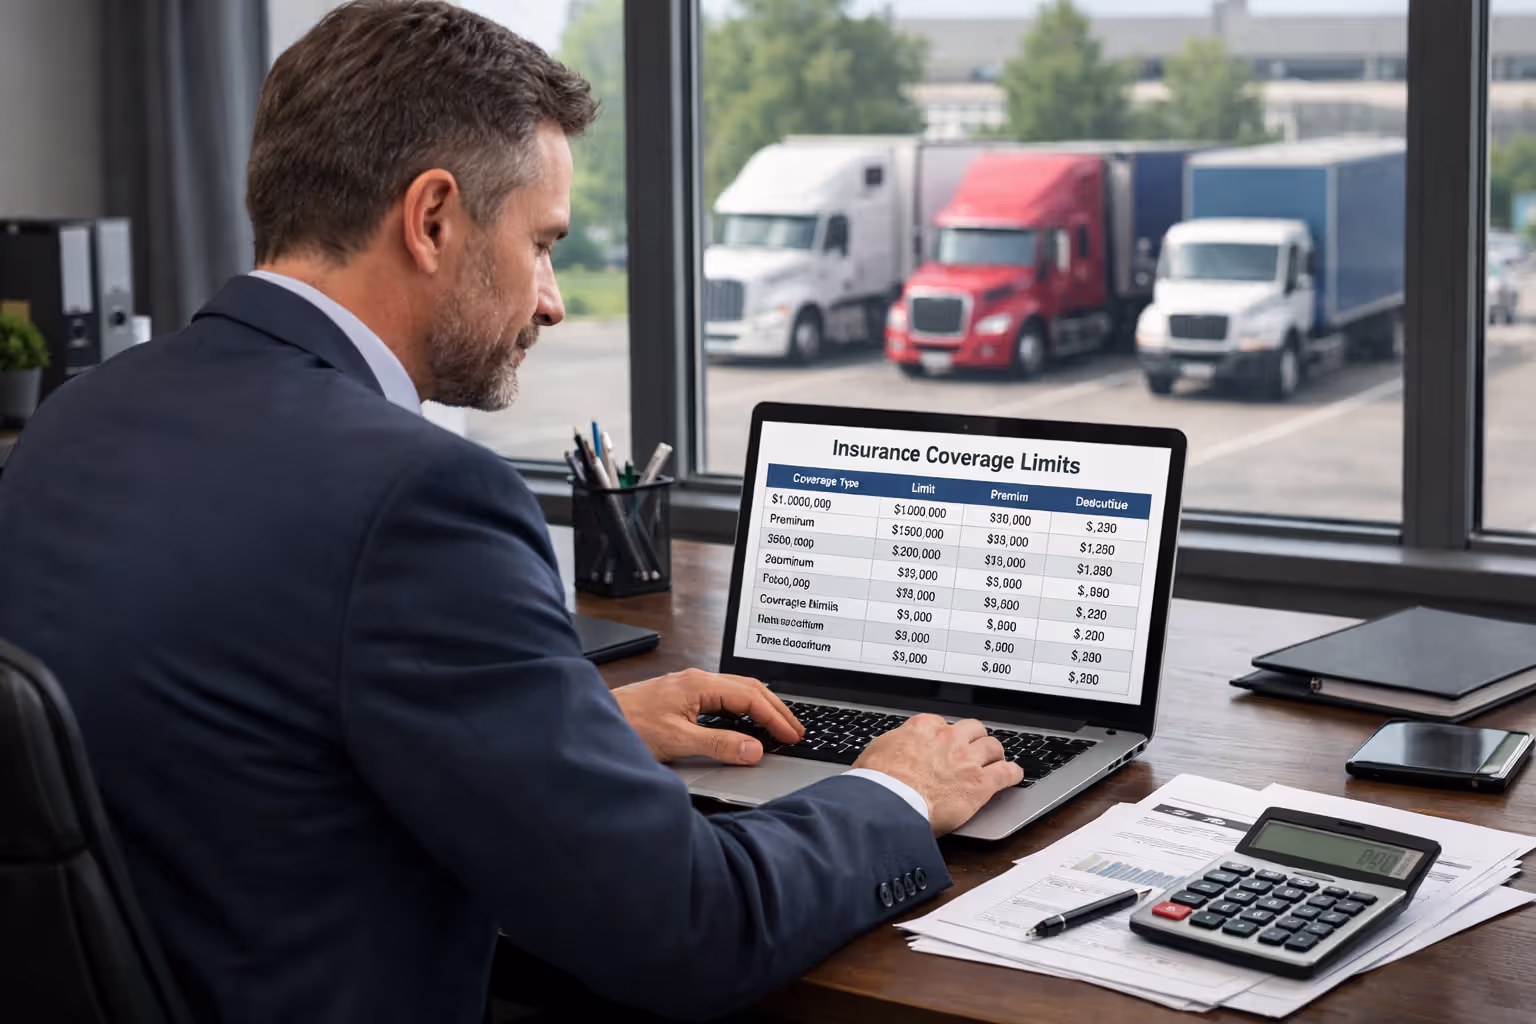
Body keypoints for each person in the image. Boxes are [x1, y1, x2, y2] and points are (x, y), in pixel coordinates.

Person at [0, 2, 1020, 1021]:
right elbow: (692, 927)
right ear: (434, 218)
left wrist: (568, 730)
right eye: (542, 243)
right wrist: (896, 793)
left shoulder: (79, 414)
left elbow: (238, 730)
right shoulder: (420, 496)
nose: (553, 300)